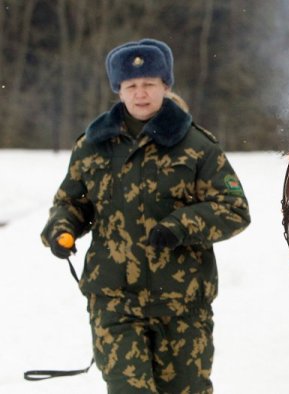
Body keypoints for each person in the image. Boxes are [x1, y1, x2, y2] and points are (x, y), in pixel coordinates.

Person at [41, 38, 251, 393]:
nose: (141, 94)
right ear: (119, 90)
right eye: (132, 86)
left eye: (150, 84)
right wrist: (61, 229)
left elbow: (234, 209)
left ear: (166, 87)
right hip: (114, 301)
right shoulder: (92, 146)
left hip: (181, 305)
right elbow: (71, 203)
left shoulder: (197, 146)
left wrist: (181, 226)